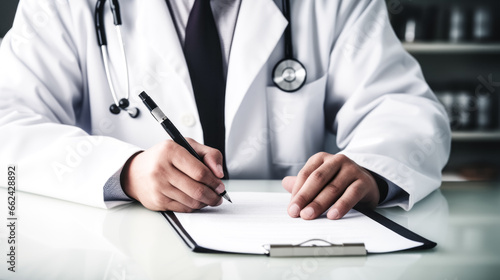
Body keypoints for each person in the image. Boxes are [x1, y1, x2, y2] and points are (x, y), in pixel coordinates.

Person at [0, 0, 450, 220]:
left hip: (292, 248)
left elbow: (403, 107)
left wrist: (370, 170)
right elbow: (7, 123)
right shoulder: (61, 4)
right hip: (120, 253)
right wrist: (126, 172)